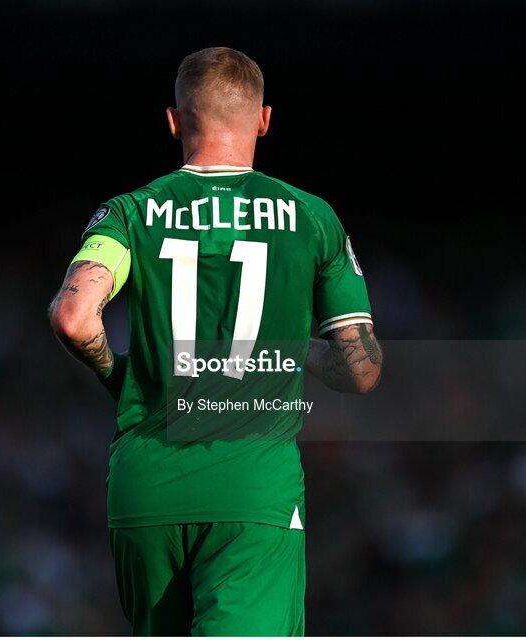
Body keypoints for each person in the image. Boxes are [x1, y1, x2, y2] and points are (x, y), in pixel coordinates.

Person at [50, 46, 382, 636]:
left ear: (175, 121)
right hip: (254, 489)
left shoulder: (129, 212)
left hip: (145, 482)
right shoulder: (312, 218)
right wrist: (297, 349)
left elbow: (75, 317)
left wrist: (116, 374)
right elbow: (361, 370)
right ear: (264, 119)